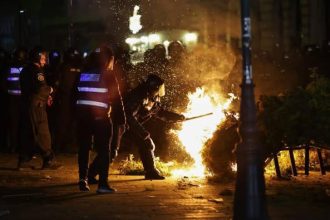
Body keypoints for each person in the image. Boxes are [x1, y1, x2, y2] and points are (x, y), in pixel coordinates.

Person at [110, 74, 185, 180]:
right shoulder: (138, 96)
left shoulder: (151, 97)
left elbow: (160, 112)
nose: (160, 91)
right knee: (111, 151)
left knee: (147, 144)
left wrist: (177, 117)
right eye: (158, 88)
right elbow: (128, 115)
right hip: (120, 123)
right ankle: (90, 174)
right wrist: (141, 131)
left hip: (130, 125)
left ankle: (151, 172)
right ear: (153, 87)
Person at [75, 46, 125, 193]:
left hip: (83, 117)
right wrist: (122, 119)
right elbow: (117, 99)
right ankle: (102, 185)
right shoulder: (108, 74)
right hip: (100, 118)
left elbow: (74, 95)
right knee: (104, 150)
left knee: (84, 148)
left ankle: (82, 180)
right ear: (108, 59)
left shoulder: (83, 73)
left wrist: (75, 115)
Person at [18, 46, 61, 170]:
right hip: (37, 106)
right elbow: (40, 88)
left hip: (27, 104)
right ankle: (48, 159)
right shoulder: (37, 71)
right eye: (42, 57)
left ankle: (24, 159)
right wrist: (51, 90)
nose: (44, 59)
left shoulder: (25, 70)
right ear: (37, 57)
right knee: (42, 132)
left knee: (28, 131)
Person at [54, 47, 82, 152]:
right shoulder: (81, 67)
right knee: (72, 123)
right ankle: (68, 145)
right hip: (76, 99)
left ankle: (60, 146)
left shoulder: (62, 67)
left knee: (63, 123)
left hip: (65, 98)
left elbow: (57, 83)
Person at [5, 47, 28, 153]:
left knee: (13, 123)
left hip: (11, 99)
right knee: (24, 123)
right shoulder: (27, 67)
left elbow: (4, 83)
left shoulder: (8, 66)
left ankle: (13, 146)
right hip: (24, 99)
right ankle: (22, 146)